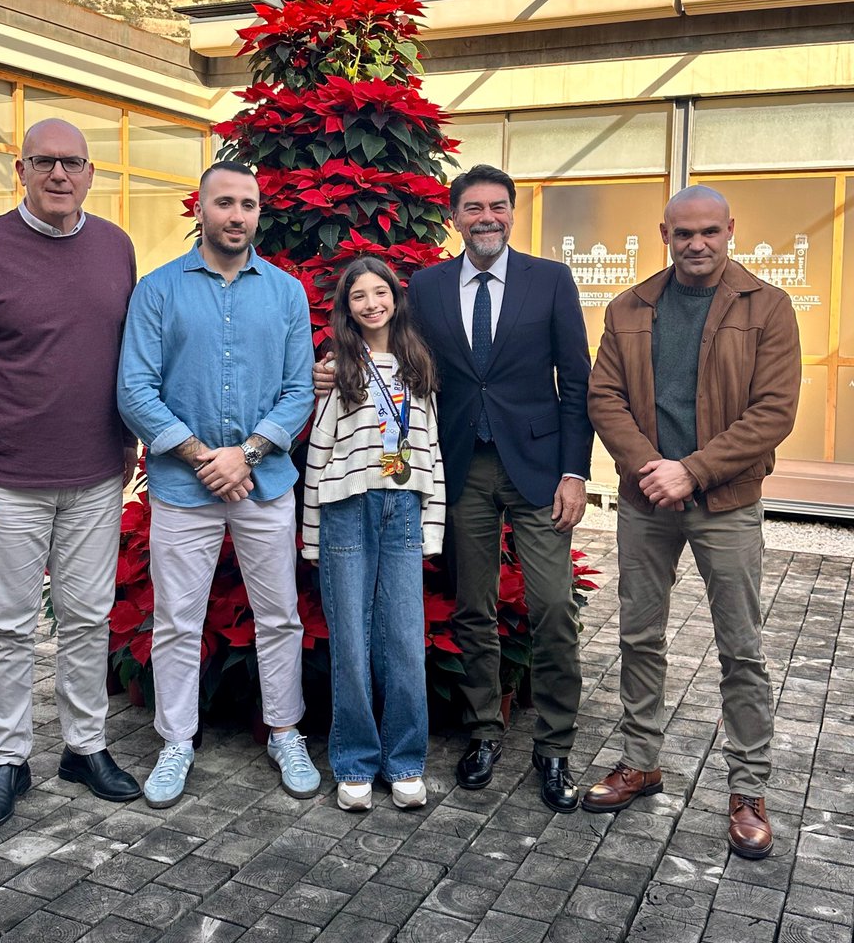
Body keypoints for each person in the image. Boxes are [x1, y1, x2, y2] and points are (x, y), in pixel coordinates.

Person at [315, 164, 593, 811]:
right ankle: (483, 731)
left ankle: (554, 747)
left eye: (498, 205)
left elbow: (575, 383)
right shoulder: (429, 287)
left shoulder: (549, 280)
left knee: (553, 606)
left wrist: (576, 472)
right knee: (474, 608)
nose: (487, 216)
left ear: (513, 212)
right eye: (473, 207)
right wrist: (331, 368)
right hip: (460, 466)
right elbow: (387, 341)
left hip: (539, 471)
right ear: (455, 217)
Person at [0, 118, 141, 830]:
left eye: (72, 163)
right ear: (21, 170)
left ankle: (84, 747)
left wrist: (131, 450)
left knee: (86, 619)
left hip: (96, 476)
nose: (58, 175)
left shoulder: (115, 247)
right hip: (5, 481)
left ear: (89, 173)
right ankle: (8, 758)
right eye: (44, 162)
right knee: (8, 626)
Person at [585, 185, 801, 860]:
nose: (697, 244)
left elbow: (773, 411)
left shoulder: (767, 306)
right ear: (664, 234)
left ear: (731, 230)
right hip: (647, 499)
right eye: (684, 234)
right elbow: (605, 396)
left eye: (709, 231)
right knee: (639, 635)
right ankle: (641, 760)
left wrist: (692, 470)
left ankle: (748, 790)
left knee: (741, 648)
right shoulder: (629, 308)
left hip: (727, 501)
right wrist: (652, 466)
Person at [117, 159, 317, 808]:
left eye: (248, 204)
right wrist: (208, 456)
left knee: (279, 616)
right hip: (184, 488)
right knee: (177, 621)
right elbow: (134, 390)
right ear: (199, 209)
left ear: (259, 213)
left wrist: (249, 454)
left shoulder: (285, 293)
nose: (236, 215)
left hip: (265, 486)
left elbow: (297, 392)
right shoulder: (158, 290)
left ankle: (284, 729)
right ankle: (177, 741)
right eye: (224, 203)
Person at [302, 258, 445, 813]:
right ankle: (355, 762)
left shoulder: (417, 365)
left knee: (406, 641)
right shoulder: (339, 367)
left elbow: (431, 451)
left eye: (379, 292)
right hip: (346, 509)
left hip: (404, 507)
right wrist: (312, 534)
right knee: (351, 642)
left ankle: (406, 761)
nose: (370, 303)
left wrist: (431, 527)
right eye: (358, 296)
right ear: (347, 307)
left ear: (395, 299)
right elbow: (318, 452)